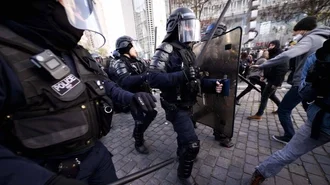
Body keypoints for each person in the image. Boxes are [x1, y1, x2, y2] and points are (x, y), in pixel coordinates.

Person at [0, 1, 157, 185]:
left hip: (97, 154)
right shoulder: (6, 53)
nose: (82, 17)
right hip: (48, 171)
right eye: (75, 6)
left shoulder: (77, 52)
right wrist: (44, 181)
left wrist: (131, 98)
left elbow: (104, 84)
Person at [148, 7, 223, 185]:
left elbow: (193, 80)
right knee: (192, 144)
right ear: (175, 27)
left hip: (188, 104)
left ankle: (183, 153)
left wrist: (212, 85)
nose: (190, 30)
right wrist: (182, 75)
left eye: (192, 26)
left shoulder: (189, 51)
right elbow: (153, 79)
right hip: (175, 105)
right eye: (186, 26)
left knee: (185, 139)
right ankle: (183, 175)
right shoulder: (166, 49)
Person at [249, 38, 330, 185]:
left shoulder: (311, 44)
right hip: (322, 119)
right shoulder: (320, 53)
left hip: (321, 119)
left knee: (278, 106)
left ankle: (273, 124)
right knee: (273, 102)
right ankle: (261, 173)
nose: (270, 46)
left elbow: (284, 67)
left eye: (272, 44)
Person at [252, 16, 330, 143]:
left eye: (295, 31)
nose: (294, 34)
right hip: (317, 83)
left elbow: (287, 55)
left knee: (284, 109)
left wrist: (263, 65)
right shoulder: (323, 39)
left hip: (303, 82)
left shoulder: (310, 38)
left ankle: (289, 135)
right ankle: (318, 130)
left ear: (302, 30)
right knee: (311, 107)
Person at [112, 35, 157, 154]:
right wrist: (145, 76)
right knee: (140, 120)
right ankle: (139, 141)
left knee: (152, 113)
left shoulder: (139, 61)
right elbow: (125, 81)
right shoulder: (119, 62)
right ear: (126, 47)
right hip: (132, 97)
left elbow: (147, 72)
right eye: (133, 47)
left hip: (145, 94)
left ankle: (138, 132)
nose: (136, 50)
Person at [248, 40, 286, 120]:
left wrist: (276, 83)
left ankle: (259, 114)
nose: (269, 47)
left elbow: (281, 70)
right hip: (272, 79)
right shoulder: (275, 54)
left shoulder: (279, 55)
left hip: (274, 80)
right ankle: (281, 108)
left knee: (265, 96)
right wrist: (265, 76)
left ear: (275, 45)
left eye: (271, 45)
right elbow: (270, 67)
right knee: (271, 95)